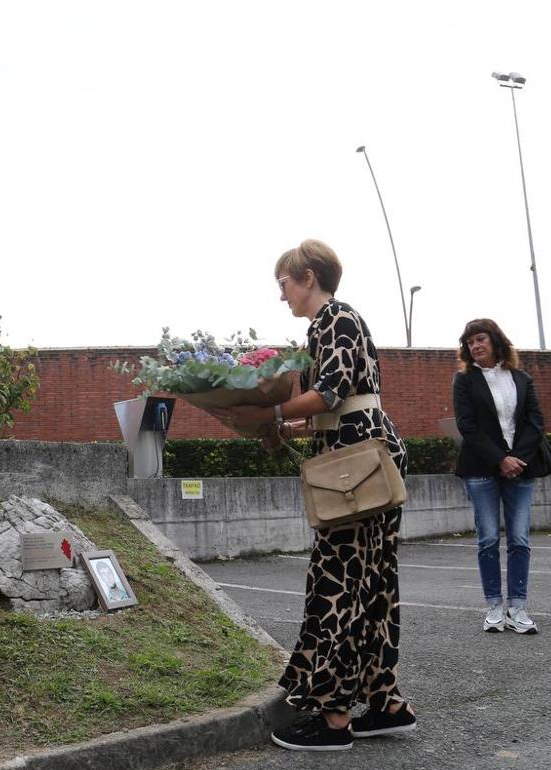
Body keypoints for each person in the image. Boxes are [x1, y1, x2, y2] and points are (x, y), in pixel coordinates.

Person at [211, 239, 415, 752]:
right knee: (370, 584)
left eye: (283, 282)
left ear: (307, 275)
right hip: (361, 458)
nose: (281, 294)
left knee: (338, 584)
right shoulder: (330, 323)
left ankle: (335, 718)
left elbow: (331, 393)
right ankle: (386, 703)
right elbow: (336, 408)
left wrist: (269, 415)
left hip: (355, 468)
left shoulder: (335, 318)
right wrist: (284, 429)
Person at [452, 319, 551, 635]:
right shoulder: (465, 381)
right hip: (481, 469)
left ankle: (518, 608)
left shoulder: (521, 378)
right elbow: (467, 426)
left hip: (521, 467)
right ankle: (494, 607)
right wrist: (500, 459)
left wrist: (517, 459)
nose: (475, 346)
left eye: (480, 339)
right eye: (470, 342)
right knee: (488, 539)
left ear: (496, 342)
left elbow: (535, 422)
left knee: (520, 539)